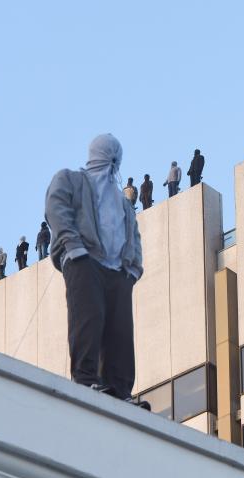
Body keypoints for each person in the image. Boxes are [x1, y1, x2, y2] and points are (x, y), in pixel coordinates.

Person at [45, 133, 145, 406]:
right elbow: (56, 206)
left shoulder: (123, 202)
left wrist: (133, 268)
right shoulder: (72, 179)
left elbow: (133, 233)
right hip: (85, 260)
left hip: (118, 271)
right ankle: (86, 378)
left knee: (121, 331)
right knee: (89, 319)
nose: (112, 161)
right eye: (108, 153)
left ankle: (120, 389)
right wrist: (73, 245)